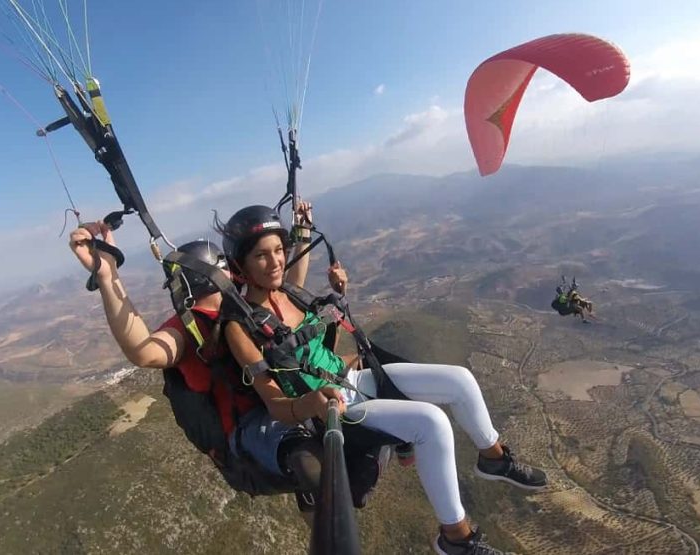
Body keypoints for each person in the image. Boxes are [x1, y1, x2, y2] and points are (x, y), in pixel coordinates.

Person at [215, 205, 548, 555]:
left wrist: (314, 251)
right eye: (261, 256)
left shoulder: (289, 293)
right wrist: (310, 403)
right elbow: (275, 405)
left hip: (352, 378)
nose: (275, 262)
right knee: (431, 422)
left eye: (278, 251)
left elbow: (299, 267)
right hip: (332, 410)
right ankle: (457, 539)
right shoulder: (242, 328)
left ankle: (494, 458)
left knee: (459, 380)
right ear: (241, 264)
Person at [67, 203, 326, 523]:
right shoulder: (192, 330)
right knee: (311, 461)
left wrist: (300, 235)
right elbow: (143, 351)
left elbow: (286, 290)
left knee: (324, 450)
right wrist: (107, 277)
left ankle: (321, 506)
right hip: (249, 433)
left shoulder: (242, 309)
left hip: (280, 407)